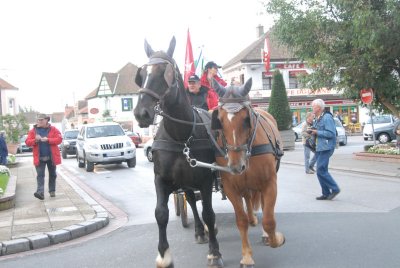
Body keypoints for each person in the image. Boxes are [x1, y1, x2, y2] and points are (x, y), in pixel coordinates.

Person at [309, 99, 341, 200]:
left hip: (326, 147)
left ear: (318, 107)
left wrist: (317, 132)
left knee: (320, 170)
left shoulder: (327, 117)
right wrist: (311, 130)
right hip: (319, 148)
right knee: (321, 170)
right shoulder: (318, 117)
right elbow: (318, 130)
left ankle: (335, 188)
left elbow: (331, 134)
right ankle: (326, 193)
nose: (312, 108)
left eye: (313, 106)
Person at [25, 114, 62, 200]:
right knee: (40, 175)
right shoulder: (33, 131)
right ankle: (40, 192)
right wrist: (35, 140)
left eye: (41, 120)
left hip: (51, 157)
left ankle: (52, 191)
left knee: (53, 174)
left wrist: (49, 139)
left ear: (46, 120)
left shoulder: (54, 129)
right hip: (39, 157)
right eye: (38, 120)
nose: (39, 121)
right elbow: (27, 142)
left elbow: (59, 139)